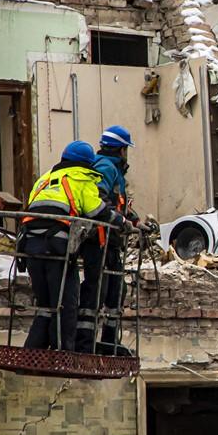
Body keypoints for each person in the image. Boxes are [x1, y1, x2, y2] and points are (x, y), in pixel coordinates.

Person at [18, 141, 123, 353]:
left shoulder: (45, 179)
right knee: (66, 301)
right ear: (87, 163)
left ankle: (33, 350)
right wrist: (122, 222)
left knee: (45, 303)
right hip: (56, 244)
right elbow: (96, 210)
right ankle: (64, 353)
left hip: (29, 245)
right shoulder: (81, 178)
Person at [78, 125, 138, 356]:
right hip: (99, 239)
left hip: (110, 240)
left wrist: (135, 220)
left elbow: (120, 203)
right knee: (97, 289)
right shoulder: (105, 166)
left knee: (116, 289)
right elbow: (101, 201)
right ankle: (86, 343)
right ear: (122, 149)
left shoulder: (113, 170)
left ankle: (109, 341)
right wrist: (120, 221)